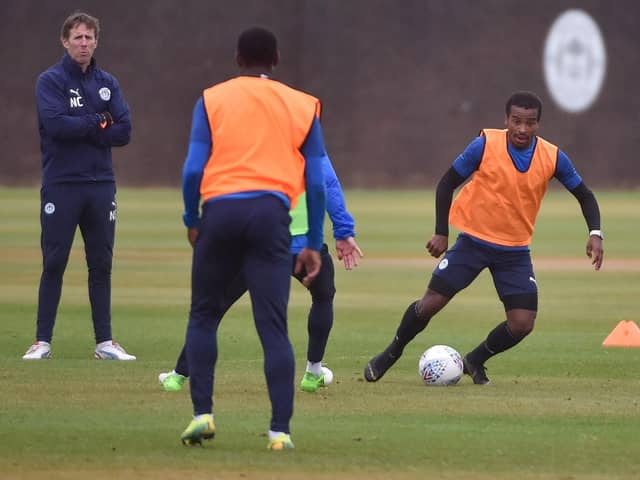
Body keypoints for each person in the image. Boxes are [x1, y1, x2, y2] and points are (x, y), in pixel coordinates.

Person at [364, 91, 604, 385]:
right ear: (506, 120)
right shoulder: (485, 144)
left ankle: (475, 359)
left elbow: (585, 195)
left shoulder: (553, 157)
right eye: (516, 121)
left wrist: (595, 233)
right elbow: (446, 183)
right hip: (473, 243)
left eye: (529, 123)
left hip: (514, 252)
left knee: (522, 324)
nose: (522, 129)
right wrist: (442, 231)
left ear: (538, 124)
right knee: (429, 304)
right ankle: (391, 353)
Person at [178, 26, 329, 451]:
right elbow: (315, 181)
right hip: (271, 215)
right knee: (273, 327)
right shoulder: (302, 105)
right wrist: (313, 241)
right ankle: (280, 432)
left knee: (204, 315)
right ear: (276, 60)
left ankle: (202, 414)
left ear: (238, 60)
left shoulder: (211, 99)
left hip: (221, 212)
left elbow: (192, 169)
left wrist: (192, 216)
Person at [158, 156, 363, 394]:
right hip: (304, 245)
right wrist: (343, 230)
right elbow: (327, 183)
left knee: (214, 307)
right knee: (323, 296)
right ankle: (313, 372)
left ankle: (178, 376)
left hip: (258, 244)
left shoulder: (254, 140)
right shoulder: (307, 137)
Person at [23, 11, 134, 361]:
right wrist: (99, 121)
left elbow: (125, 131)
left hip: (101, 184)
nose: (83, 43)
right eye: (78, 37)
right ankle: (42, 342)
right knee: (54, 262)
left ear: (96, 41)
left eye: (89, 37)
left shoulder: (108, 82)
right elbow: (57, 127)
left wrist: (88, 126)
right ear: (65, 41)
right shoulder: (50, 81)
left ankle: (105, 343)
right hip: (62, 183)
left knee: (100, 264)